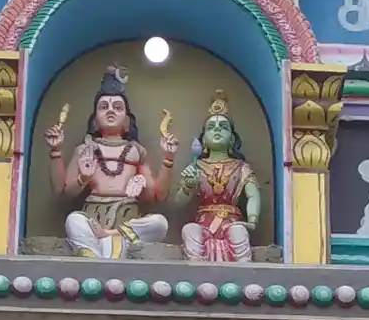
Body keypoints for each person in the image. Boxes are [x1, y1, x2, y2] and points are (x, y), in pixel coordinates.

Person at [44, 66, 175, 258]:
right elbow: (62, 192)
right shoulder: (85, 150)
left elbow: (158, 196)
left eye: (118, 107)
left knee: (159, 223)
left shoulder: (136, 151)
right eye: (104, 107)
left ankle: (108, 239)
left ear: (127, 121)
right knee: (73, 220)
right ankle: (93, 255)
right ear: (95, 121)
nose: (111, 111)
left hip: (127, 220)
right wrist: (80, 174)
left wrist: (164, 164)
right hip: (93, 219)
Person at [176, 91, 261, 262]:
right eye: (211, 127)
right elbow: (179, 201)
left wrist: (252, 221)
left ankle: (243, 276)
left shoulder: (241, 167)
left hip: (231, 222)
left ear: (231, 140)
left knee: (239, 233)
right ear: (204, 141)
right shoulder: (196, 167)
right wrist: (188, 186)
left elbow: (253, 195)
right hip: (203, 222)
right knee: (189, 230)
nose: (217, 130)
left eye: (223, 127)